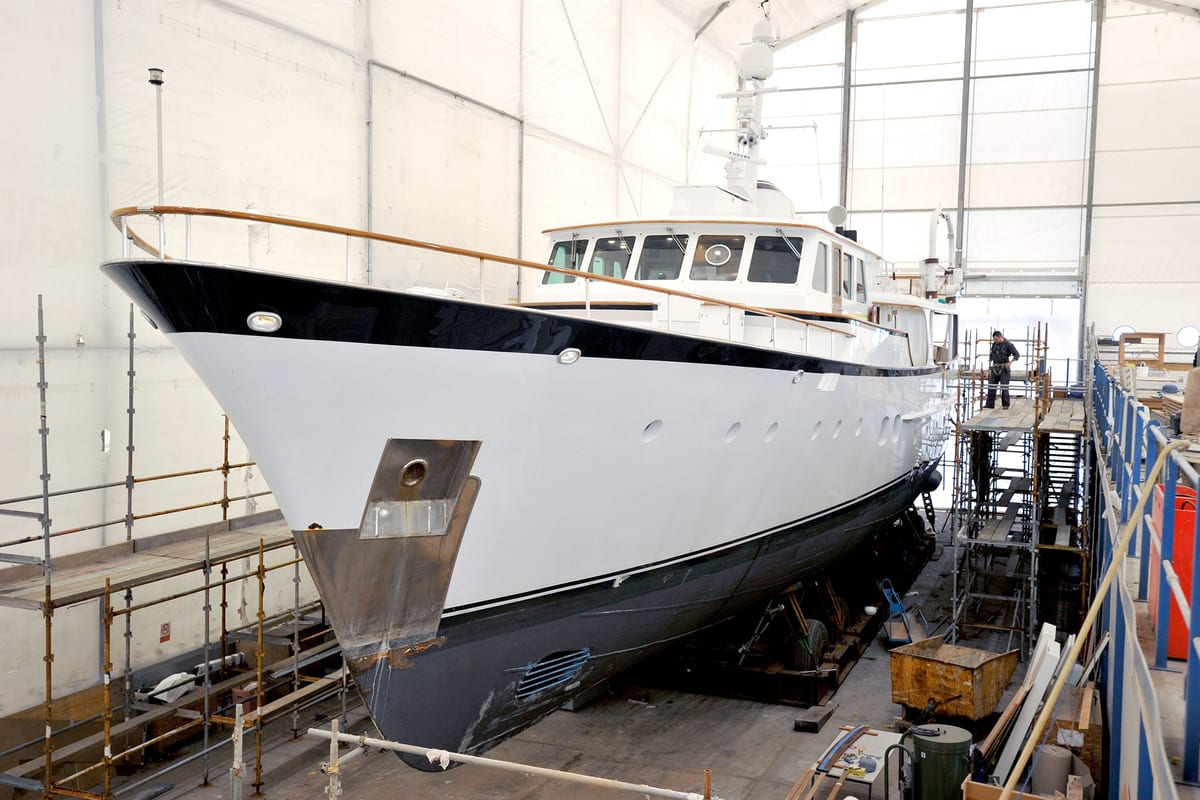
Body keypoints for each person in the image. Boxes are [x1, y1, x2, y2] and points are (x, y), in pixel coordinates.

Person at [984, 330, 1020, 409]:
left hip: (1004, 368)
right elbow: (992, 355)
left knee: (1004, 387)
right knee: (991, 387)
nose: (995, 341)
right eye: (994, 339)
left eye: (996, 339)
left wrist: (1010, 362)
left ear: (1000, 337)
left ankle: (1005, 405)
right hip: (995, 368)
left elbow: (1017, 354)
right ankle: (989, 405)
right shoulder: (994, 345)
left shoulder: (1008, 345)